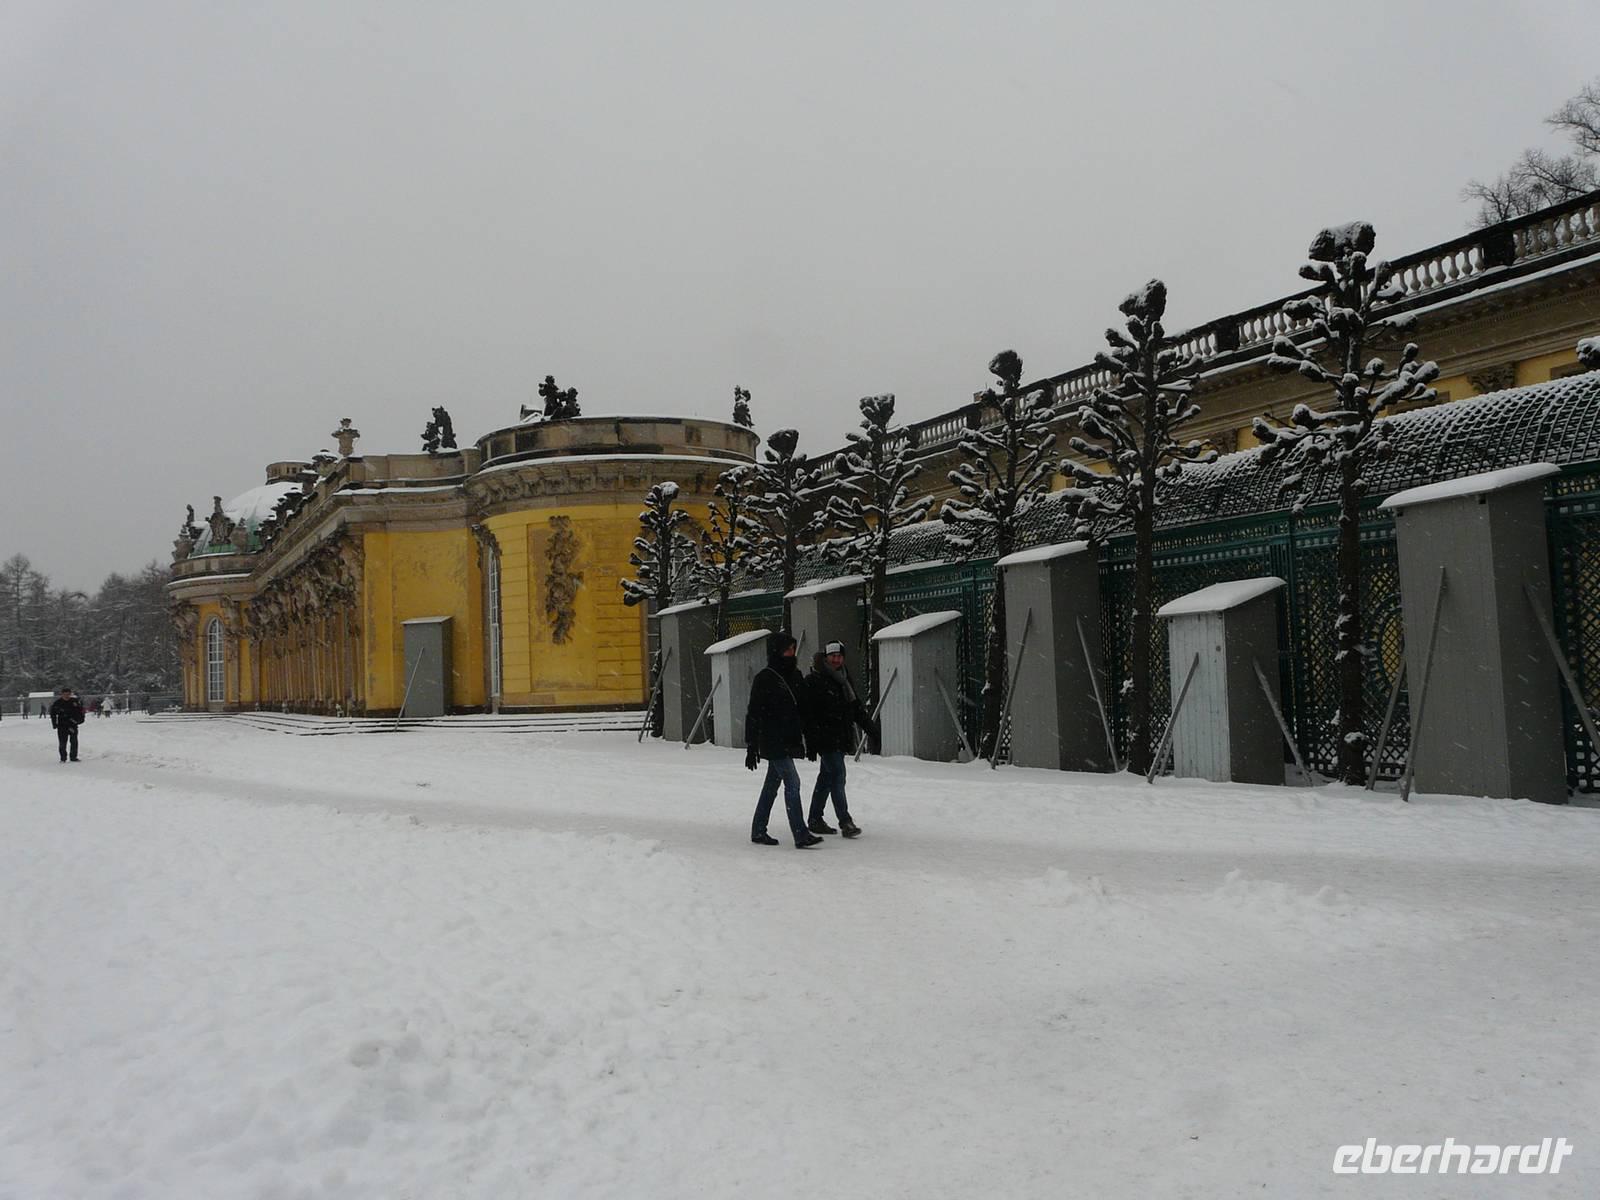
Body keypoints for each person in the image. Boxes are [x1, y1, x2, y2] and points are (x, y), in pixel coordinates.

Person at [745, 630, 823, 849]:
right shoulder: (765, 678)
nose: (791, 653)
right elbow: (754, 713)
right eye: (787, 649)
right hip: (773, 739)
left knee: (772, 784)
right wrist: (751, 745)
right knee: (793, 782)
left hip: (789, 738)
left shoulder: (795, 676)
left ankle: (758, 829)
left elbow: (805, 710)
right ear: (777, 652)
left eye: (792, 649)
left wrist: (811, 739)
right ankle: (800, 833)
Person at [803, 640, 879, 838]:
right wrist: (811, 741)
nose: (836, 659)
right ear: (826, 657)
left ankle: (815, 819)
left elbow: (855, 708)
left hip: (840, 737)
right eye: (833, 656)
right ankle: (845, 821)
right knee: (838, 776)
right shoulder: (815, 680)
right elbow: (808, 714)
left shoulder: (844, 680)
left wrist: (870, 728)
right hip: (826, 739)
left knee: (827, 778)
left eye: (839, 656)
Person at [49, 687, 85, 763]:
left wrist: (81, 719)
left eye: (68, 694)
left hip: (73, 724)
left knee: (74, 741)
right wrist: (54, 724)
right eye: (65, 694)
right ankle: (63, 758)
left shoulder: (74, 702)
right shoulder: (57, 703)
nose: (67, 696)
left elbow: (81, 711)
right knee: (62, 742)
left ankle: (73, 757)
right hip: (62, 725)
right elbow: (53, 714)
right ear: (62, 694)